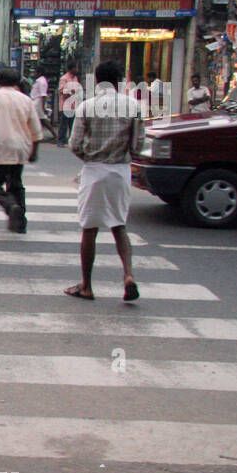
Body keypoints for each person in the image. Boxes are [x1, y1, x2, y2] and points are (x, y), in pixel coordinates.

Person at [66, 60, 144, 303]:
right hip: (120, 171)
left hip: (94, 171)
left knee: (89, 229)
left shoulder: (87, 107)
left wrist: (90, 157)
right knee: (119, 226)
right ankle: (128, 275)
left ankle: (87, 285)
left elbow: (75, 145)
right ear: (120, 81)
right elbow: (138, 145)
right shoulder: (133, 106)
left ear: (97, 81)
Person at [0, 66, 43, 233]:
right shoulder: (25, 100)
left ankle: (11, 206)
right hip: (21, 146)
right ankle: (20, 220)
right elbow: (36, 129)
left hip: (1, 146)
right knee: (16, 183)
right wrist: (34, 151)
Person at [57, 65, 83, 146]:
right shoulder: (64, 78)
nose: (77, 70)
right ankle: (61, 141)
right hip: (65, 105)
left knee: (72, 124)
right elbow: (62, 92)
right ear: (71, 69)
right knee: (63, 124)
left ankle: (72, 141)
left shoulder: (75, 78)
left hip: (74, 105)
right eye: (75, 68)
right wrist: (71, 92)